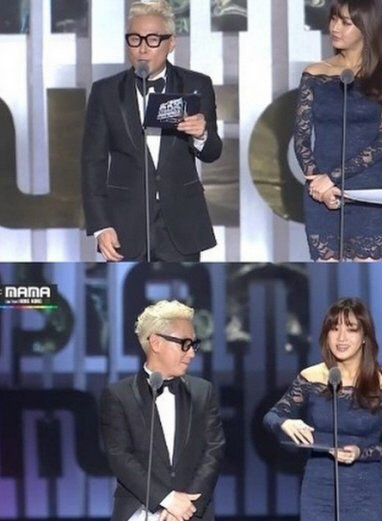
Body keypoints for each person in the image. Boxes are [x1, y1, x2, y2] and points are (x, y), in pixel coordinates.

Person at [82, 0, 222, 262]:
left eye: (153, 40)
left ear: (171, 43)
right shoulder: (105, 92)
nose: (143, 49)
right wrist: (101, 225)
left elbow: (212, 152)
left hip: (181, 223)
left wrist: (201, 134)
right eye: (135, 39)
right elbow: (92, 162)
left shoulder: (196, 84)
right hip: (124, 224)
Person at [264, 297, 382, 521]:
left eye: (351, 329)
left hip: (365, 492)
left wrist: (361, 452)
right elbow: (271, 416)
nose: (341, 337)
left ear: (365, 336)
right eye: (334, 329)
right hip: (318, 491)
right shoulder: (312, 376)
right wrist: (284, 422)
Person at [294, 0, 382, 262]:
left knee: (367, 274)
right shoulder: (315, 73)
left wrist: (332, 178)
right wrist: (318, 183)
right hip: (321, 195)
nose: (335, 28)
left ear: (367, 27)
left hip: (368, 194)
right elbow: (301, 138)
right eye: (333, 19)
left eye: (345, 22)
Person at [100, 300, 225, 521]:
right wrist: (167, 499)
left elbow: (213, 450)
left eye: (194, 345)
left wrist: (186, 507)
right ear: (156, 343)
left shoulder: (202, 391)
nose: (192, 353)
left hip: (192, 512)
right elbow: (120, 456)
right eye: (185, 344)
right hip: (138, 512)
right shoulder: (119, 395)